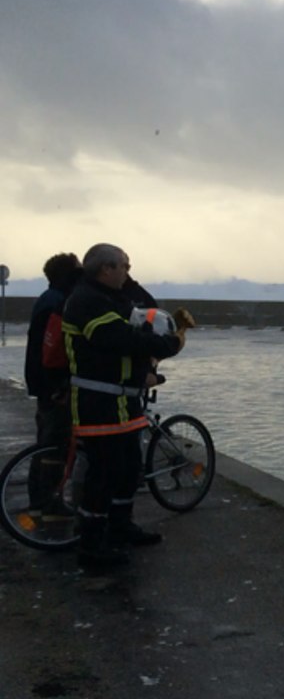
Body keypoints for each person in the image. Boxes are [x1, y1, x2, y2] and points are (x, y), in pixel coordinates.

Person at [62, 244, 186, 569]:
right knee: (102, 473)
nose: (127, 272)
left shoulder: (112, 296)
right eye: (124, 266)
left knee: (129, 466)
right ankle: (91, 545)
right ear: (107, 269)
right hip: (97, 403)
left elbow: (142, 312)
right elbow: (120, 340)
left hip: (124, 401)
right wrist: (167, 345)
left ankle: (120, 526)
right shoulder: (87, 300)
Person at [24, 253, 82, 446]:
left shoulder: (48, 297)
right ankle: (46, 476)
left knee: (46, 436)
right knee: (55, 441)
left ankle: (39, 475)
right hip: (52, 384)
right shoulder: (58, 303)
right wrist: (60, 384)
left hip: (41, 380)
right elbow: (55, 347)